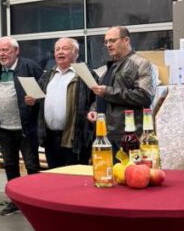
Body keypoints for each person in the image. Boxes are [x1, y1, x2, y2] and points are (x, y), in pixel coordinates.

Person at [0, 37, 43, 216]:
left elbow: (44, 92)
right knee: (10, 165)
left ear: (16, 51)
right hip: (4, 128)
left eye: (5, 50)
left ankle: (35, 201)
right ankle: (15, 201)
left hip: (26, 128)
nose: (2, 54)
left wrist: (35, 100)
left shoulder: (29, 67)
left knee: (31, 165)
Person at [88, 26, 155, 154]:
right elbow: (102, 94)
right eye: (106, 42)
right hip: (106, 133)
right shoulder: (111, 66)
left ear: (126, 40)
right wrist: (94, 109)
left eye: (113, 41)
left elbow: (145, 96)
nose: (108, 45)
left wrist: (107, 92)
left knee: (127, 167)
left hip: (127, 135)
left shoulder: (141, 63)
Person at [37, 38, 95, 169]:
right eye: (57, 49)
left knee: (75, 176)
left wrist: (93, 110)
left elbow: (97, 99)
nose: (60, 52)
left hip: (75, 138)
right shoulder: (47, 75)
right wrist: (32, 100)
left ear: (76, 53)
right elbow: (39, 100)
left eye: (65, 48)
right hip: (50, 138)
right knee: (54, 175)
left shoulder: (86, 74)